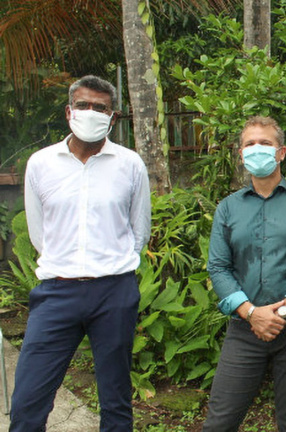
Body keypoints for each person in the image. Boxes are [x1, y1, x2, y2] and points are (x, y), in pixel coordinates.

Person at [12, 75, 151, 431]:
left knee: (115, 398)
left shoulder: (130, 164)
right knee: (28, 400)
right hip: (57, 292)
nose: (91, 112)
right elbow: (40, 233)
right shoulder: (41, 164)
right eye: (83, 105)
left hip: (113, 292)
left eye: (100, 107)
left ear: (113, 117)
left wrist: (110, 267)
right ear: (69, 112)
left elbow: (139, 232)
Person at [203, 116, 286, 432]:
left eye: (265, 143)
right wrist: (252, 314)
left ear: (282, 152)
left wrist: (282, 311)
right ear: (240, 153)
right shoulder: (228, 208)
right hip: (244, 328)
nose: (256, 149)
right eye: (250, 144)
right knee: (220, 420)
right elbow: (218, 267)